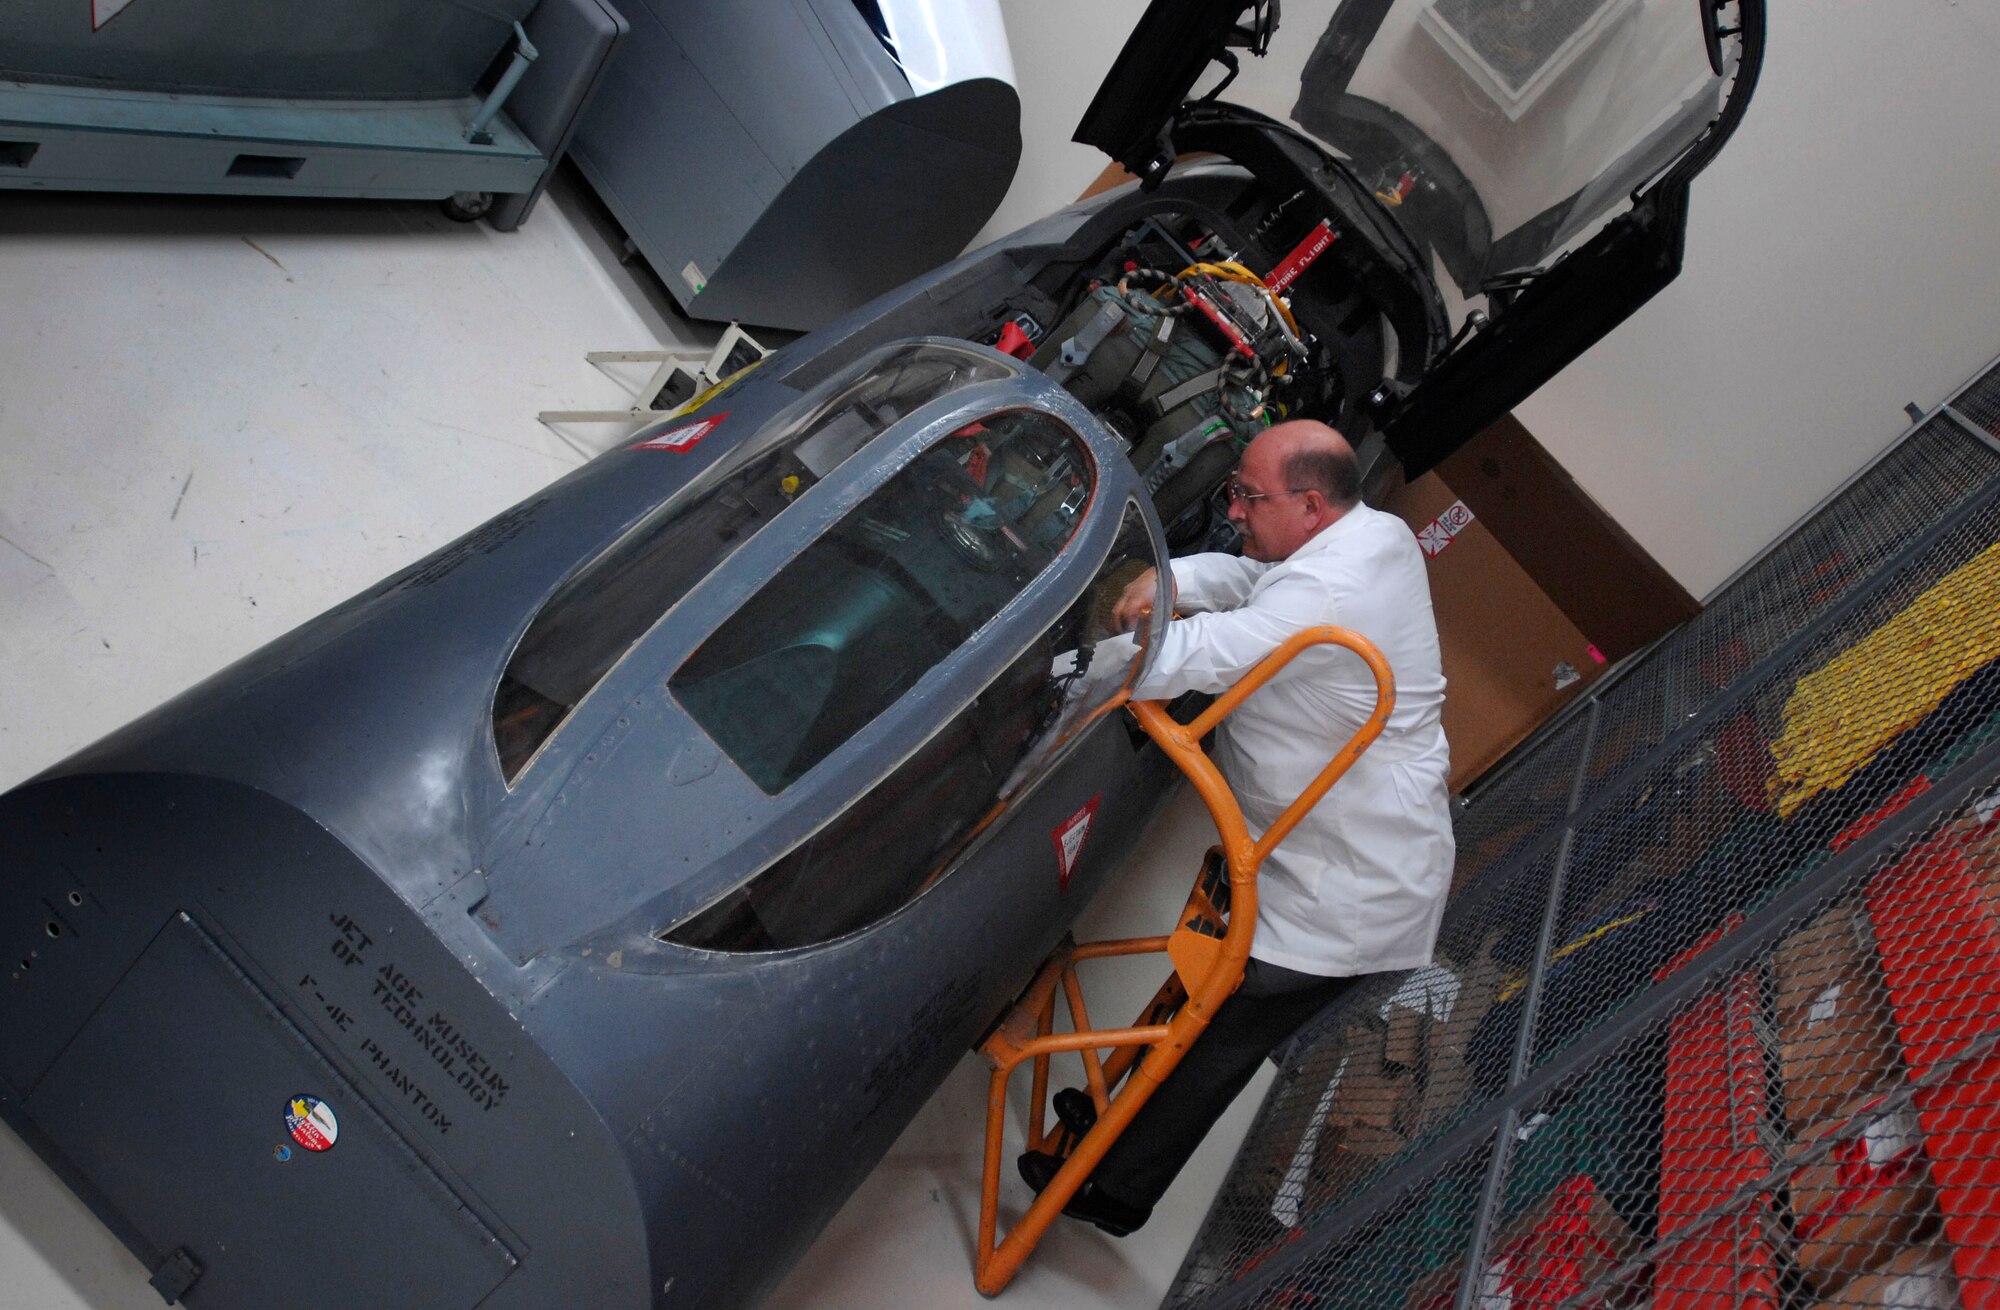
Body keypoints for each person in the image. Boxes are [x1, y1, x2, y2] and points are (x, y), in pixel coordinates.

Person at [1020, 419, 1454, 1235]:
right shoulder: (1370, 535)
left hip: (1346, 890)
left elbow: (1206, 650)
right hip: (1331, 853)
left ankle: (1113, 1190)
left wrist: (1053, 678)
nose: (1237, 510)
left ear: (1314, 506)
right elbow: (1253, 578)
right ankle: (1108, 1120)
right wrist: (1170, 576)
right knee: (1200, 991)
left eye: (1250, 496)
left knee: (1217, 1036)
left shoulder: (1331, 590)